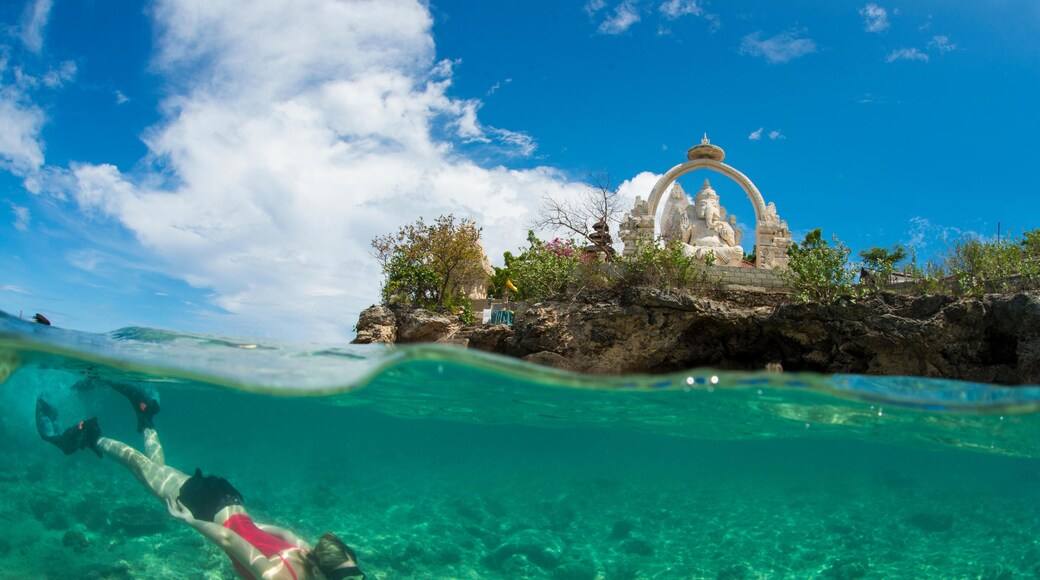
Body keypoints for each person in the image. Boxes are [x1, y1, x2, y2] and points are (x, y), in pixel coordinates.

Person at [35, 382, 365, 580]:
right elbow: (227, 541)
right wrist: (189, 520)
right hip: (208, 507)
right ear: (322, 572)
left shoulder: (307, 552)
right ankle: (91, 437)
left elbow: (280, 533)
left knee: (156, 470)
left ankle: (145, 415)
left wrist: (247, 524)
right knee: (144, 472)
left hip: (231, 500)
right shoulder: (275, 576)